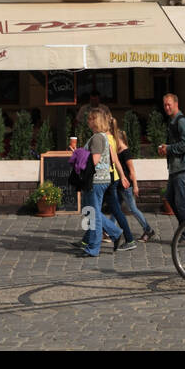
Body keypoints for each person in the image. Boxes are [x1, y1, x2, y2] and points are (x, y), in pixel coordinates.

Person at [76, 109, 125, 259]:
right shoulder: (103, 136)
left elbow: (95, 160)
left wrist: (78, 155)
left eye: (91, 119)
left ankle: (93, 247)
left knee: (93, 213)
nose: (88, 121)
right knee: (90, 211)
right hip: (101, 179)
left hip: (96, 180)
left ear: (96, 121)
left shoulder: (97, 138)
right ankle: (115, 233)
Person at [159, 92, 185, 241]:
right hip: (176, 167)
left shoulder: (180, 121)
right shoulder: (173, 121)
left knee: (180, 202)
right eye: (165, 105)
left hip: (183, 167)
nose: (167, 107)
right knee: (171, 198)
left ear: (176, 104)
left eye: (169, 104)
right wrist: (166, 148)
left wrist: (168, 149)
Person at [116, 127, 155, 243]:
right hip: (119, 184)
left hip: (126, 185)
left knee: (133, 209)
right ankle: (107, 231)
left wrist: (136, 186)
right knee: (115, 208)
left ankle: (148, 229)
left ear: (119, 139)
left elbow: (132, 170)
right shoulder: (117, 151)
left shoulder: (125, 152)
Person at [101, 115, 134, 250]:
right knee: (115, 210)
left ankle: (113, 233)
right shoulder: (112, 137)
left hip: (106, 177)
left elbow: (113, 159)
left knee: (92, 208)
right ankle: (129, 238)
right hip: (113, 177)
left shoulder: (105, 138)